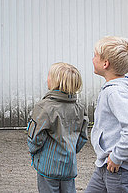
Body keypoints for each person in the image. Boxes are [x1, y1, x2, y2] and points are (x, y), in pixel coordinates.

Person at [85, 36, 128, 193]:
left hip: (120, 170)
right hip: (105, 165)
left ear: (105, 64)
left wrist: (117, 157)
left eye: (95, 56)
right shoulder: (116, 88)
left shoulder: (116, 92)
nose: (92, 59)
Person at [27, 62, 89, 193]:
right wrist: (70, 150)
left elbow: (35, 139)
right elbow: (83, 136)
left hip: (48, 167)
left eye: (49, 75)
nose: (47, 78)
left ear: (55, 82)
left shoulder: (44, 107)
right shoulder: (79, 108)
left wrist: (34, 152)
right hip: (69, 168)